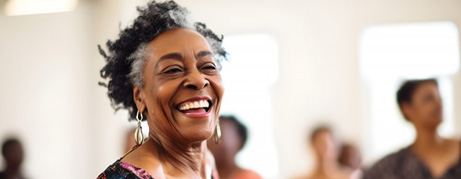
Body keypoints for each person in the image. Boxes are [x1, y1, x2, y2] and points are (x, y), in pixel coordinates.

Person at [96, 1, 227, 178]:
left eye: (208, 66)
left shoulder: (207, 163)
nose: (198, 80)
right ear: (140, 97)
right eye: (173, 70)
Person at [363, 79, 461, 179]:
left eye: (439, 98)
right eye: (428, 99)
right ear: (406, 108)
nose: (438, 104)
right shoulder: (393, 166)